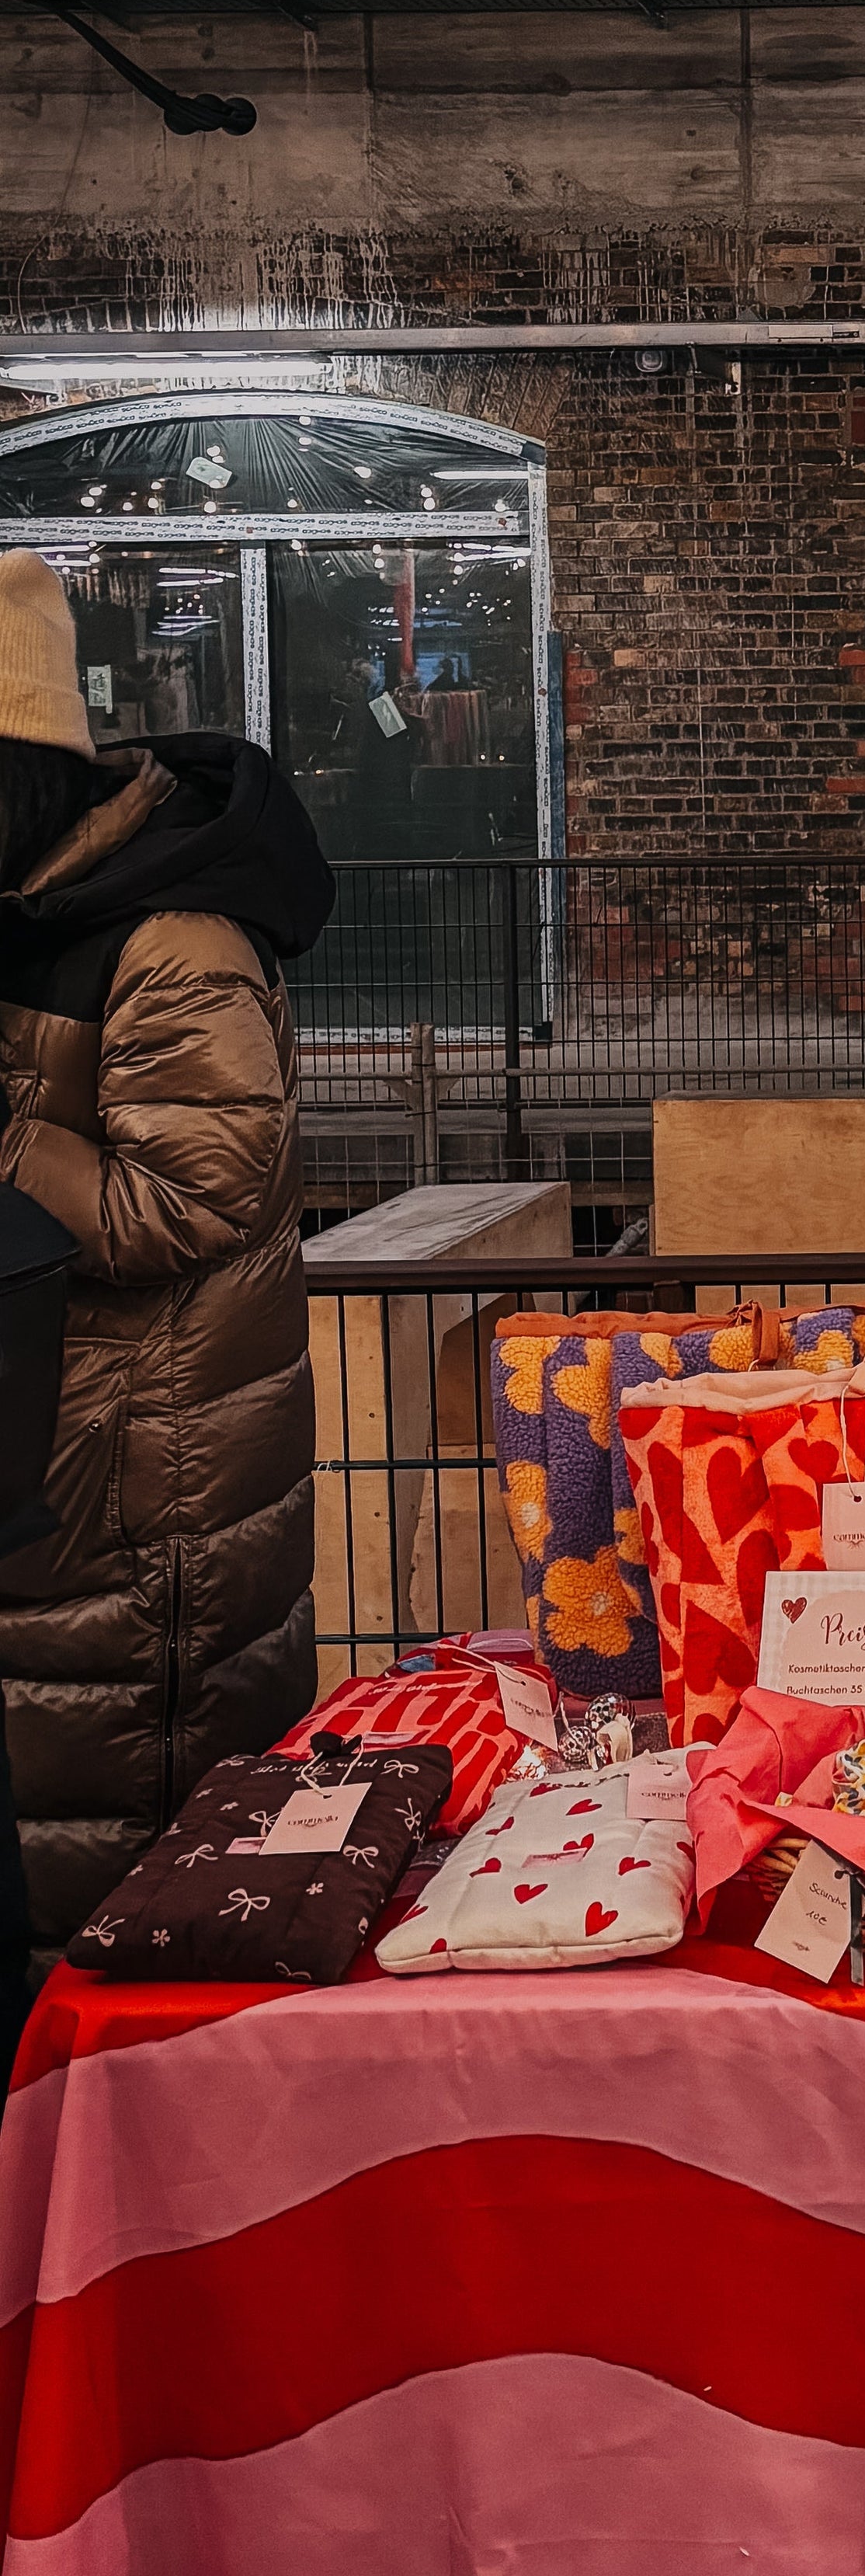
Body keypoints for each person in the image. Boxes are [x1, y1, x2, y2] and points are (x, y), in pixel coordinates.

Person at [0, 554, 334, 1976]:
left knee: (132, 1898)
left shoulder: (170, 935)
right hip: (69, 1468)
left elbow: (187, 1204)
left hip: (143, 1498)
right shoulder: (38, 916)